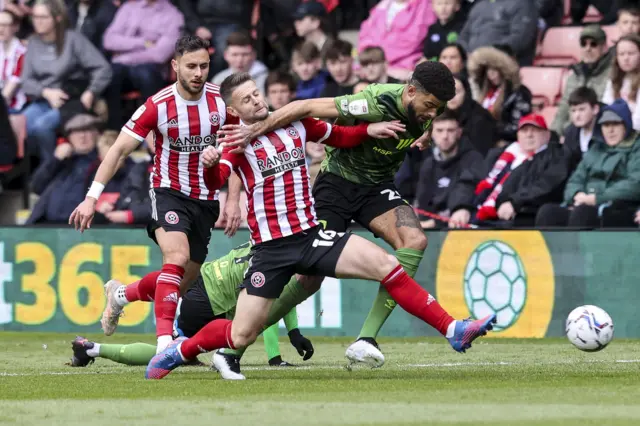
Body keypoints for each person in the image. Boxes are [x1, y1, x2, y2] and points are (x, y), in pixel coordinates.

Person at [144, 72, 496, 380]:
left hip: (312, 236)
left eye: (256, 92)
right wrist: (208, 163)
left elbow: (339, 137)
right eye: (246, 99)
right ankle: (181, 350)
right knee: (240, 335)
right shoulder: (236, 144)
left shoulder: (297, 126)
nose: (256, 100)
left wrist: (368, 130)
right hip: (271, 251)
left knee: (388, 266)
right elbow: (215, 179)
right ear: (234, 111)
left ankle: (452, 328)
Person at [216, 61, 458, 368]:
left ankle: (365, 339)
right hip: (338, 184)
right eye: (430, 106)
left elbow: (417, 123)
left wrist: (421, 135)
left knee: (415, 239)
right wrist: (257, 130)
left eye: (439, 109)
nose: (433, 114)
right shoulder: (375, 100)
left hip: (375, 188)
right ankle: (233, 346)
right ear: (411, 92)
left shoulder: (423, 111)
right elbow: (305, 106)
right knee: (309, 278)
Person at [68, 35, 243, 354]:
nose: (198, 73)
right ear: (175, 66)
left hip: (205, 198)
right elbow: (119, 150)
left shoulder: (222, 101)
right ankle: (165, 343)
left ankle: (120, 295)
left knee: (180, 280)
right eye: (191, 66)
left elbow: (236, 147)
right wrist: (92, 197)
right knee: (174, 258)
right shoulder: (158, 105)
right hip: (168, 191)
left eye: (204, 66)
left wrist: (232, 199)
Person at [69, 243, 315, 378]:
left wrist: (293, 333)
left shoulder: (277, 239)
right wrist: (278, 351)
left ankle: (121, 295)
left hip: (209, 280)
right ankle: (93, 349)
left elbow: (282, 294)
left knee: (173, 282)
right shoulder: (293, 252)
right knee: (170, 354)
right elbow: (276, 299)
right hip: (210, 301)